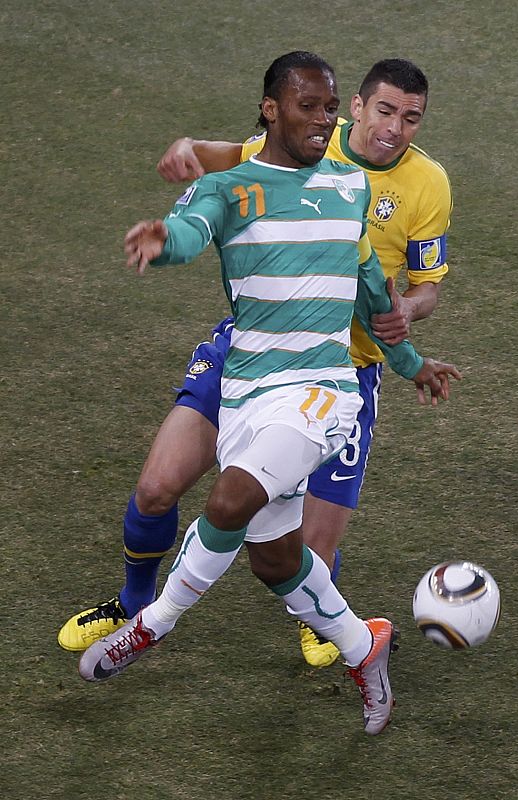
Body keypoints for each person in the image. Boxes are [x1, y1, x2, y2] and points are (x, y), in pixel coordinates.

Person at [78, 52, 460, 736]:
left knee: (230, 500)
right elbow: (190, 231)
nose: (323, 120)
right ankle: (362, 646)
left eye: (329, 107)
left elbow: (374, 296)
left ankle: (153, 622)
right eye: (309, 107)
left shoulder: (349, 189)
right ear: (271, 111)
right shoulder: (231, 186)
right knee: (275, 558)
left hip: (322, 391)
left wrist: (410, 364)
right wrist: (164, 238)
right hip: (246, 390)